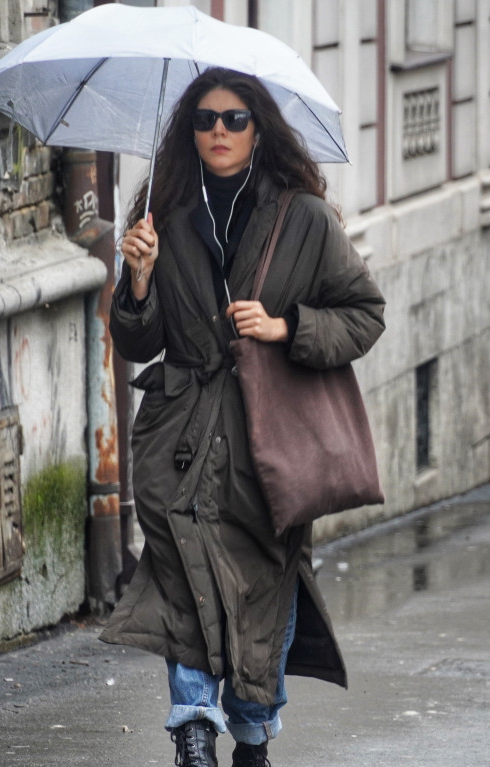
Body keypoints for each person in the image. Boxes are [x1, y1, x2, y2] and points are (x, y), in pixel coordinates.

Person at [102, 68, 385, 767]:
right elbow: (139, 340)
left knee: (263, 587)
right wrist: (135, 279)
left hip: (268, 441)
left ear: (259, 128)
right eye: (203, 119)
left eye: (233, 119)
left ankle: (252, 728)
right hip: (180, 437)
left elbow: (364, 314)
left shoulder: (303, 217)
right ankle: (193, 725)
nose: (218, 132)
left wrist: (285, 326)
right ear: (187, 130)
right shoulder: (160, 217)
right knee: (184, 580)